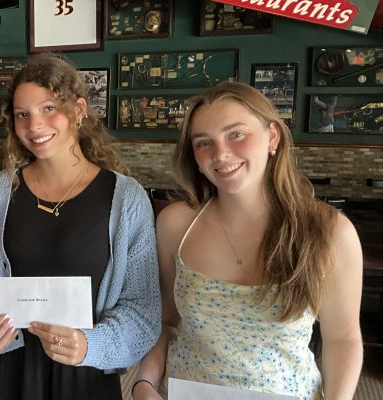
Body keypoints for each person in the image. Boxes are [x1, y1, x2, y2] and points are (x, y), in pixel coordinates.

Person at [132, 82, 363, 400]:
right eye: (203, 142)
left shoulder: (330, 232)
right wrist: (143, 384)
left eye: (236, 134)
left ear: (272, 137)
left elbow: (343, 339)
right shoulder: (175, 224)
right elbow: (167, 321)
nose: (221, 153)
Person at [0, 54, 161, 400]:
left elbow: (143, 312)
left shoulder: (126, 199)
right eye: (23, 114)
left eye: (49, 108)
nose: (35, 126)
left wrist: (88, 345)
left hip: (86, 381)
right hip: (7, 379)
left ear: (79, 110)